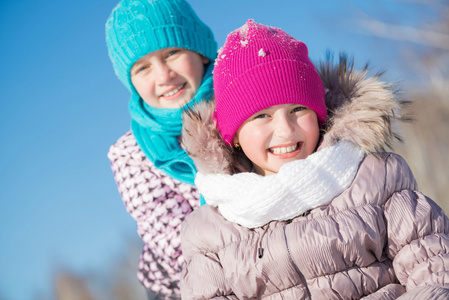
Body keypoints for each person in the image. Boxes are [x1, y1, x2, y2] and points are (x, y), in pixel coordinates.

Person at [180, 19, 449, 299]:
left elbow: (433, 266)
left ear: (319, 115)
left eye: (298, 108)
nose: (285, 130)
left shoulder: (376, 179)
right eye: (262, 116)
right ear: (233, 135)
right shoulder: (210, 233)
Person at [105, 0, 217, 298]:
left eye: (172, 53)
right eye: (143, 68)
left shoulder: (251, 99)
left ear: (201, 52)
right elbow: (179, 243)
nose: (163, 75)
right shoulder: (131, 154)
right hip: (182, 284)